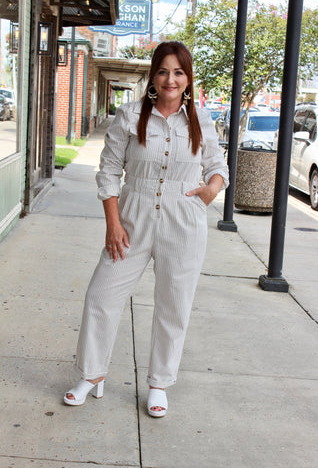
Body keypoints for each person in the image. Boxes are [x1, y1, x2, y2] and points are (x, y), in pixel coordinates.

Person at [64, 41, 229, 417]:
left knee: (173, 304)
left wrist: (210, 190)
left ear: (187, 78)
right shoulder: (129, 115)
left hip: (183, 220)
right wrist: (113, 222)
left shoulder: (201, 121)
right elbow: (108, 171)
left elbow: (218, 166)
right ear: (153, 75)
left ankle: (159, 384)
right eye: (163, 71)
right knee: (101, 295)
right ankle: (92, 375)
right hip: (133, 215)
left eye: (179, 72)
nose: (171, 79)